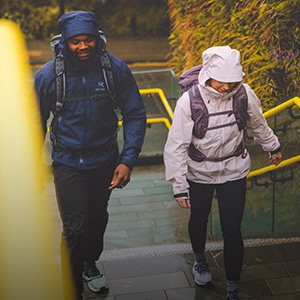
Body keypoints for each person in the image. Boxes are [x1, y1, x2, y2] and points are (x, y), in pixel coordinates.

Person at [34, 11, 146, 300]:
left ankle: (89, 264)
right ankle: (71, 292)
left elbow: (134, 113)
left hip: (104, 160)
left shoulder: (115, 70)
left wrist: (126, 160)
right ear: (64, 42)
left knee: (97, 219)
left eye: (88, 40)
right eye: (75, 42)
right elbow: (34, 123)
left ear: (98, 40)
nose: (83, 47)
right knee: (74, 229)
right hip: (67, 162)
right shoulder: (48, 75)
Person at [163, 46, 282, 300]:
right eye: (222, 83)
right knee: (199, 218)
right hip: (199, 172)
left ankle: (232, 289)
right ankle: (199, 261)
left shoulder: (244, 94)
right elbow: (176, 145)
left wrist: (272, 146)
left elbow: (258, 123)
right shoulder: (190, 100)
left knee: (232, 229)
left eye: (232, 82)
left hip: (233, 169)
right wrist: (178, 184)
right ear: (208, 75)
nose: (227, 88)